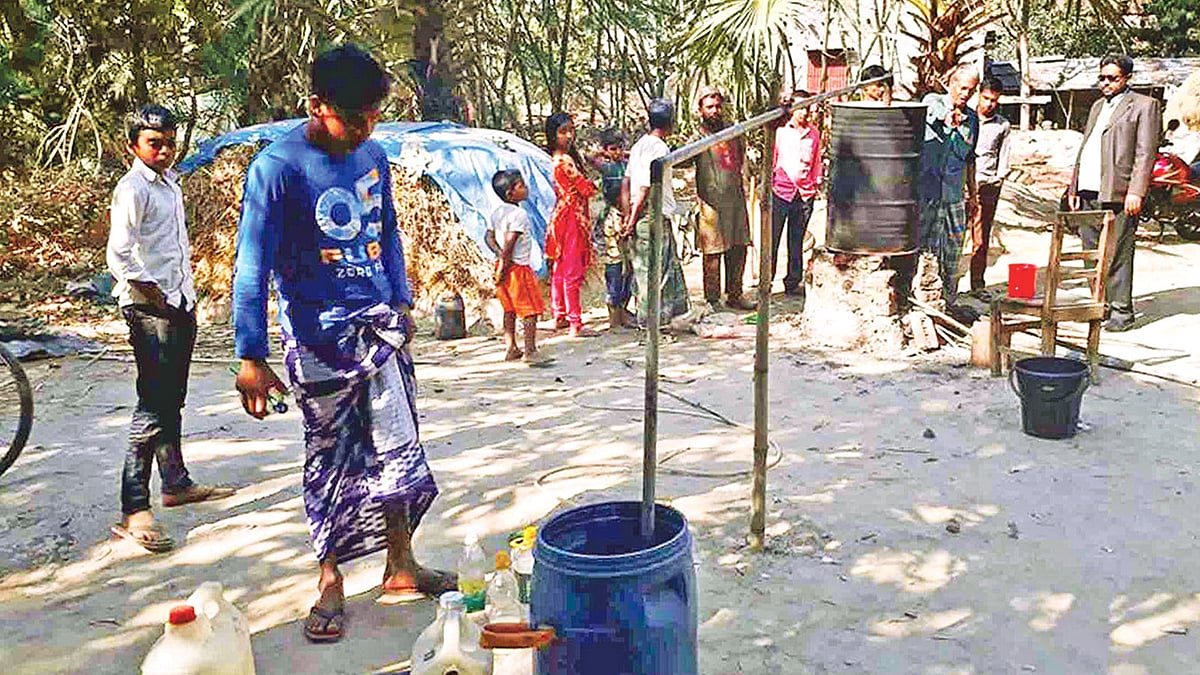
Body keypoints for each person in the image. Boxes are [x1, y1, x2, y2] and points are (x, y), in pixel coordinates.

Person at [231, 44, 455, 644]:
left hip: (382, 330)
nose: (365, 129)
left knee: (396, 445)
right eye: (353, 118)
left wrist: (402, 301)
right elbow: (250, 265)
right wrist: (250, 355)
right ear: (316, 107)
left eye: (372, 118)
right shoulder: (277, 169)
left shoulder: (373, 155)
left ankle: (401, 563)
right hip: (318, 339)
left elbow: (388, 230)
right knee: (329, 457)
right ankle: (329, 578)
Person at [106, 105, 235, 554]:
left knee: (171, 399)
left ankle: (175, 482)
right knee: (153, 405)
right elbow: (119, 255)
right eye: (153, 143)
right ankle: (133, 506)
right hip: (150, 310)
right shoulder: (132, 188)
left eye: (168, 143)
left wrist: (181, 297)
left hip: (179, 303)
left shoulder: (171, 186)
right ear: (133, 147)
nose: (162, 151)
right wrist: (154, 294)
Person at [1068, 53, 1161, 332]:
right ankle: (1101, 306)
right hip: (1087, 190)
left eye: (1112, 78)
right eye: (1102, 77)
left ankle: (1122, 311)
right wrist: (1074, 186)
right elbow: (1086, 146)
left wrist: (1137, 191)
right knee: (1091, 252)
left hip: (1118, 191)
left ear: (1127, 78)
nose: (1105, 83)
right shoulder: (1098, 106)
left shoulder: (1144, 106)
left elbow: (1146, 153)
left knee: (1118, 251)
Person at [625, 98, 691, 325]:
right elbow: (645, 185)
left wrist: (627, 214)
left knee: (649, 267)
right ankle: (652, 322)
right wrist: (632, 219)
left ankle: (655, 319)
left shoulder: (639, 145)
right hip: (650, 214)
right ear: (671, 123)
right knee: (654, 270)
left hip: (641, 212)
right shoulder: (659, 148)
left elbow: (627, 181)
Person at [919, 66, 980, 307]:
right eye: (962, 87)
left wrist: (973, 195)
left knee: (953, 250)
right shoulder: (932, 101)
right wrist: (947, 117)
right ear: (951, 83)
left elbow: (970, 158)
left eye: (971, 90)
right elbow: (933, 113)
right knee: (928, 250)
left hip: (955, 193)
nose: (965, 94)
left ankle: (950, 301)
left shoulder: (972, 119)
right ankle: (926, 301)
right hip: (929, 194)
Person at [693, 87, 755, 311]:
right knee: (712, 251)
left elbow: (742, 160)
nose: (715, 111)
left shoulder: (734, 131)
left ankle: (735, 295)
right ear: (700, 110)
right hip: (711, 204)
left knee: (739, 246)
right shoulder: (697, 138)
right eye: (709, 107)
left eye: (718, 106)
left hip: (735, 199)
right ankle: (712, 300)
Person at [485, 169, 552, 365]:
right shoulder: (519, 215)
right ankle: (530, 351)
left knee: (509, 309)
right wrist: (504, 264)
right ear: (510, 194)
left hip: (503, 265)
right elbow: (510, 243)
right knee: (529, 310)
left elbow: (488, 236)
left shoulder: (497, 212)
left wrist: (498, 257)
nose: (526, 188)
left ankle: (511, 347)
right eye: (521, 186)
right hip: (517, 269)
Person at [544, 112, 599, 337]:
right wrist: (599, 183)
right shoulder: (565, 161)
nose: (569, 136)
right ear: (553, 134)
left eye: (570, 130)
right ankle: (575, 322)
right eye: (563, 131)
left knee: (559, 269)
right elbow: (586, 189)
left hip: (561, 215)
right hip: (572, 217)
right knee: (572, 270)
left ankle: (561, 315)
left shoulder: (556, 158)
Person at [770, 90, 822, 300]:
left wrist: (814, 186)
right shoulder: (781, 131)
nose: (804, 112)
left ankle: (793, 281)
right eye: (800, 107)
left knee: (797, 240)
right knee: (772, 240)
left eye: (807, 107)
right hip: (780, 191)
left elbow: (816, 162)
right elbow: (772, 159)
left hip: (804, 193)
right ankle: (767, 282)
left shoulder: (814, 133)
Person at [970, 76, 1011, 295]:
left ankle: (977, 284)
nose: (989, 104)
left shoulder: (1002, 125)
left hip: (987, 187)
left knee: (981, 238)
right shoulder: (966, 118)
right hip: (961, 186)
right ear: (978, 95)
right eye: (986, 98)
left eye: (994, 100)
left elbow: (1004, 158)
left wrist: (998, 179)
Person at [592, 130, 633, 329]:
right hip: (612, 220)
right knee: (615, 266)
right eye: (613, 149)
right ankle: (614, 316)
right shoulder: (606, 168)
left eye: (620, 148)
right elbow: (589, 158)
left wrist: (626, 155)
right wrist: (603, 153)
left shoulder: (627, 166)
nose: (617, 152)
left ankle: (624, 309)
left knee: (629, 267)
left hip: (626, 217)